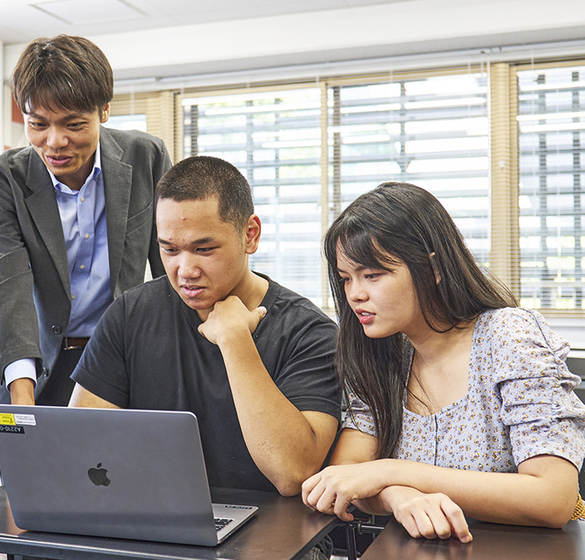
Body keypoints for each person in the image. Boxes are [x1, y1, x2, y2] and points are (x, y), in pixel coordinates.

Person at [301, 182, 585, 543]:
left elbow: (552, 498)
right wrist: (398, 495)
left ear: (432, 268)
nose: (355, 294)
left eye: (373, 275)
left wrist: (391, 471)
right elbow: (347, 473)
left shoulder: (508, 336)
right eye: (345, 279)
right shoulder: (384, 355)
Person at [69, 155, 341, 498]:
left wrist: (235, 340)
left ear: (250, 235)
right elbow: (79, 446)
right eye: (169, 249)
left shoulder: (309, 333)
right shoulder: (130, 314)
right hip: (156, 519)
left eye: (204, 249)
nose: (185, 270)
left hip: (271, 535)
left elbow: (291, 473)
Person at [0, 34, 171, 407]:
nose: (55, 142)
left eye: (73, 125)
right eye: (38, 124)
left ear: (104, 111)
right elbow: (8, 284)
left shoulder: (146, 156)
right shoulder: (3, 178)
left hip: (115, 361)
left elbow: (169, 266)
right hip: (29, 366)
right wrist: (21, 396)